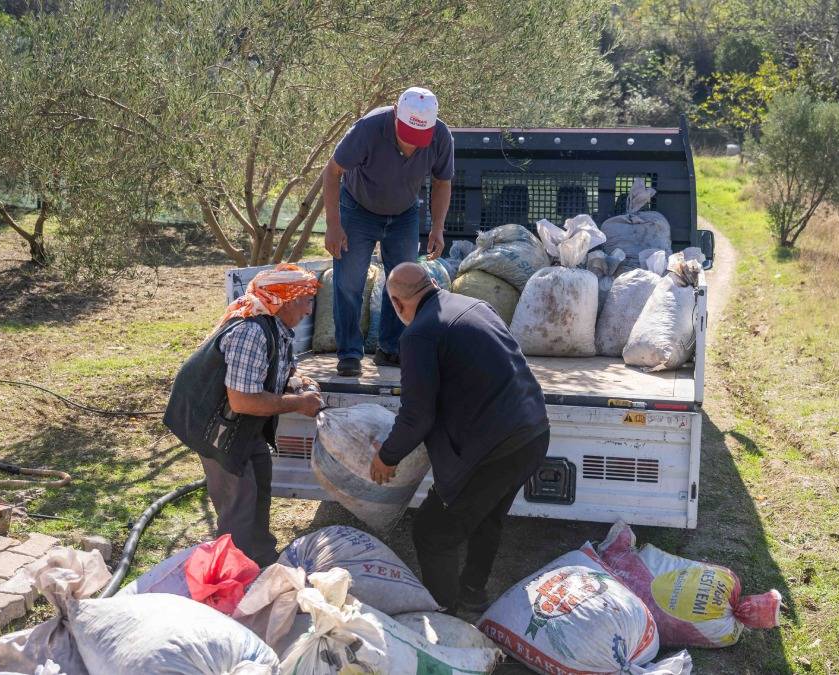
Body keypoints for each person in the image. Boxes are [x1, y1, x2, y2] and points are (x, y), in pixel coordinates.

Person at [369, 262, 550, 614]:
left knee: (432, 531)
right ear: (432, 284)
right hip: (533, 432)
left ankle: (446, 614)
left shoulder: (419, 334)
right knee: (486, 516)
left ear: (396, 302)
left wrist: (387, 456)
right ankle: (472, 592)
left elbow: (417, 415)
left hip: (495, 448)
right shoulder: (474, 305)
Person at [163, 264, 324, 566]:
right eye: (306, 300)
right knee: (239, 504)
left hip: (243, 426)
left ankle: (261, 560)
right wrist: (298, 403)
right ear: (287, 301)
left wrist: (302, 384)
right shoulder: (251, 331)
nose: (308, 310)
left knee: (260, 485)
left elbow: (286, 370)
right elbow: (242, 401)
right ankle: (232, 577)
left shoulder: (277, 328)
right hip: (216, 427)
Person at [322, 86, 455, 377]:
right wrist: (334, 224)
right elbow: (332, 172)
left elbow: (442, 182)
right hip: (357, 209)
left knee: (405, 282)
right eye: (406, 136)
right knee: (349, 282)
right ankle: (349, 353)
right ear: (396, 114)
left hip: (405, 213)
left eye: (419, 140)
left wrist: (437, 227)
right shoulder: (367, 129)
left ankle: (390, 348)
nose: (411, 147)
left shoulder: (441, 136)